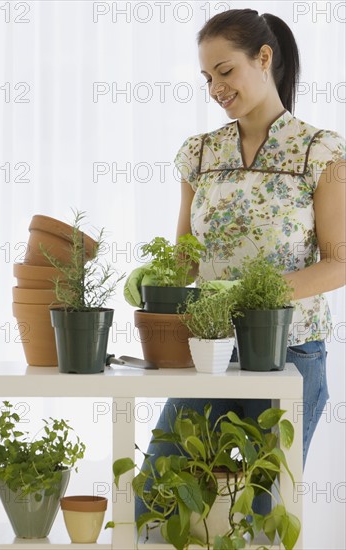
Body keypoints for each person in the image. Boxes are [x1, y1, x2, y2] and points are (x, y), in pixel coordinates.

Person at [126, 8, 345, 517]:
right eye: (206, 78)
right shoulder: (199, 155)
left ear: (263, 58)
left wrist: (250, 294)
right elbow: (186, 257)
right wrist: (155, 280)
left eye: (224, 71)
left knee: (262, 513)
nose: (215, 88)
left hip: (289, 355)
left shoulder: (319, 151)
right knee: (157, 500)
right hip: (207, 352)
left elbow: (337, 262)